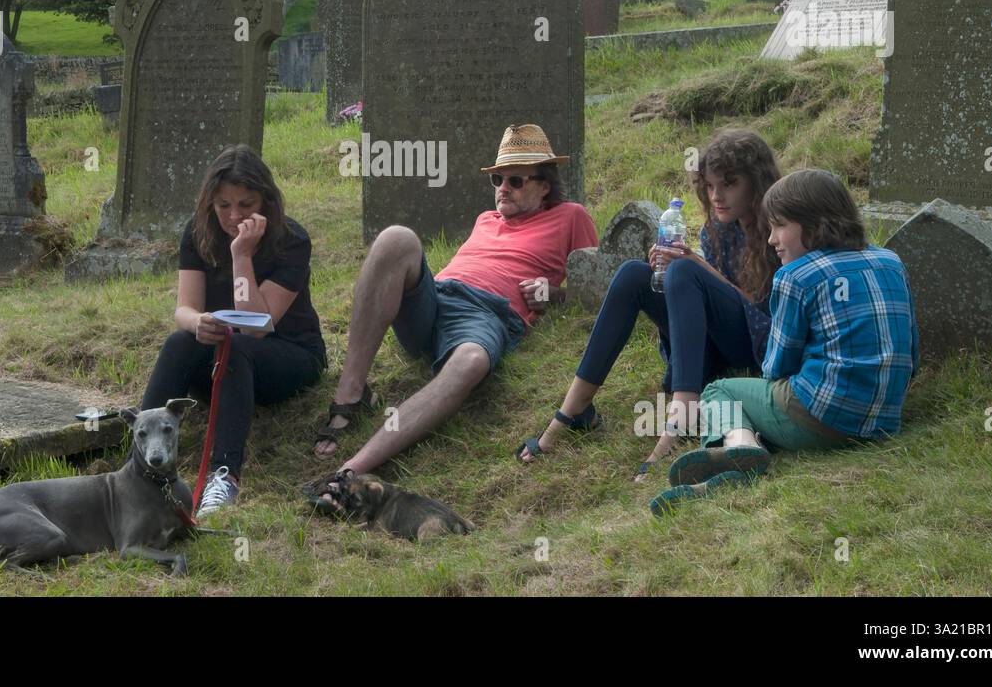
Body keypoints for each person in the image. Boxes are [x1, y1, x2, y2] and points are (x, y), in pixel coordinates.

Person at [307, 124, 598, 511]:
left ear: (545, 185)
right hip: (439, 297)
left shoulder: (570, 216)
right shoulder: (486, 219)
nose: (502, 188)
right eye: (497, 178)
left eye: (515, 180)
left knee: (473, 360)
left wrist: (555, 293)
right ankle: (348, 396)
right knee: (396, 237)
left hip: (487, 314)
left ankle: (350, 472)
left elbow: (595, 287)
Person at [516, 128, 782, 481]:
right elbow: (703, 296)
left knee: (686, 267)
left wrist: (695, 267)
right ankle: (574, 408)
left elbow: (764, 315)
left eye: (729, 184)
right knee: (633, 274)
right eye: (710, 186)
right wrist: (666, 272)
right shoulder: (715, 230)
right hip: (711, 341)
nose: (717, 196)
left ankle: (680, 420)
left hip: (753, 344)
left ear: (756, 183)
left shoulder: (779, 229)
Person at [650, 168, 919, 515]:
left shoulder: (795, 276)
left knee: (720, 392)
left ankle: (740, 447)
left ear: (816, 223)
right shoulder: (891, 262)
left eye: (780, 226)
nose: (771, 239)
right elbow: (912, 353)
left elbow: (776, 367)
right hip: (884, 421)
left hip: (822, 418)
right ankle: (733, 467)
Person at [140, 144, 327, 517]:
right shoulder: (197, 234)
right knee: (180, 341)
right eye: (223, 204)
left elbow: (257, 324)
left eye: (246, 204)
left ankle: (223, 476)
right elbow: (184, 308)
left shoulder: (292, 240)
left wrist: (241, 255)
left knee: (239, 345)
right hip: (222, 363)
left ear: (267, 201)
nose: (233, 215)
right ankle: (140, 459)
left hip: (288, 357)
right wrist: (199, 323)